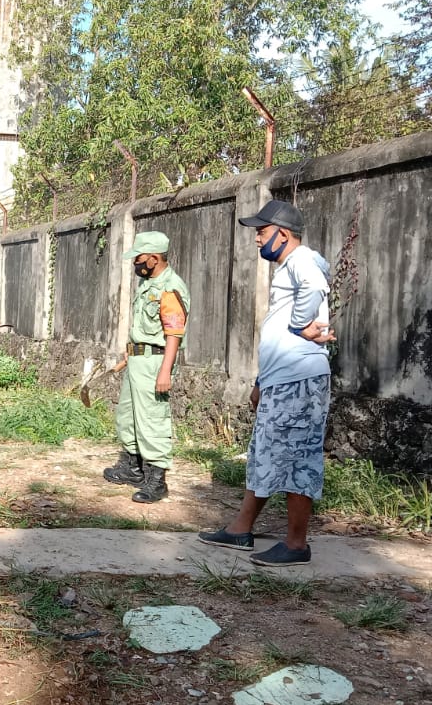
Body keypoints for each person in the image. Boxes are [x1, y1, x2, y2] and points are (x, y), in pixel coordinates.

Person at [198, 199, 335, 567]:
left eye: (261, 231)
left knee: (297, 460)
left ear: (283, 234)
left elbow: (314, 286)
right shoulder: (288, 266)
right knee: (266, 454)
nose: (257, 239)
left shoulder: (302, 260)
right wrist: (262, 380)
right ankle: (240, 528)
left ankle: (295, 545)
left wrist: (302, 325)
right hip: (282, 379)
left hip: (300, 381)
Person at [101, 231, 190, 504]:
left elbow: (174, 333)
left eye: (139, 258)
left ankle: (156, 480)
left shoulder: (169, 287)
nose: (135, 263)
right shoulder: (148, 283)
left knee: (151, 418)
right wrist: (131, 356)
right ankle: (133, 467)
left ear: (153, 258)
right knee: (128, 416)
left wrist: (165, 370)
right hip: (138, 359)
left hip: (155, 362)